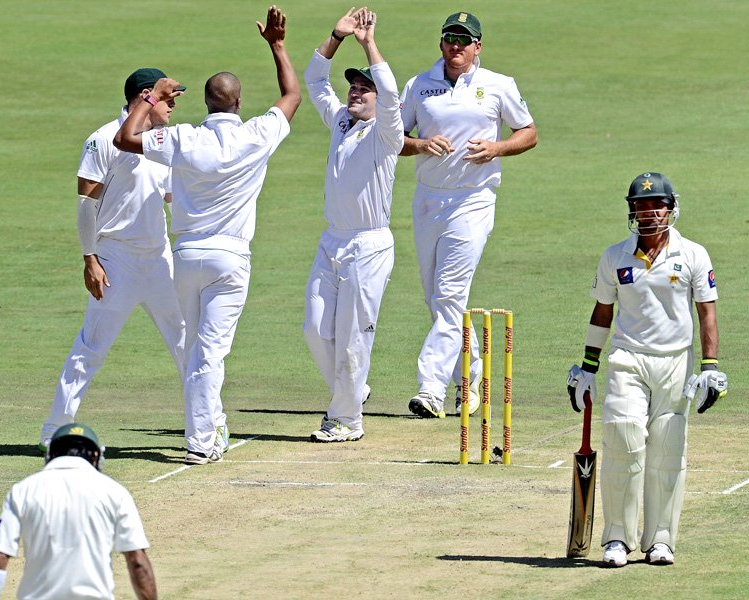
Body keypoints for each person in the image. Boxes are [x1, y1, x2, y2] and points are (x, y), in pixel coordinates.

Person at [114, 6, 301, 465]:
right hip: (229, 260)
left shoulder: (184, 138)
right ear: (237, 102)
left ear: (208, 103)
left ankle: (211, 429)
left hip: (186, 256)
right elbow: (293, 94)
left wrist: (148, 98)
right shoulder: (257, 133)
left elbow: (125, 138)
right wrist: (277, 46)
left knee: (199, 351)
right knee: (207, 355)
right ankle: (201, 442)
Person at [567, 172, 727, 568]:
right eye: (640, 206)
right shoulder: (615, 256)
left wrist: (710, 367)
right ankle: (618, 538)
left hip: (676, 361)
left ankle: (660, 540)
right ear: (631, 211)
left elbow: (706, 312)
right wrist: (588, 367)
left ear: (671, 208)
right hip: (628, 358)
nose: (648, 212)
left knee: (667, 451)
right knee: (623, 439)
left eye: (656, 204)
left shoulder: (693, 254)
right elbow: (603, 311)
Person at [399, 11, 538, 419]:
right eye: (449, 38)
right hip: (428, 199)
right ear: (441, 43)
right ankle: (471, 375)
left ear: (478, 45)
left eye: (464, 40)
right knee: (437, 298)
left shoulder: (498, 85)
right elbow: (394, 141)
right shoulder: (419, 86)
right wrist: (421, 145)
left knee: (449, 293)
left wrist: (497, 149)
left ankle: (430, 387)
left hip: (474, 201)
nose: (456, 46)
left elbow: (528, 132)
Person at [39, 68, 186, 449]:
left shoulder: (162, 141)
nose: (173, 103)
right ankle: (52, 430)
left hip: (159, 261)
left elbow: (172, 196)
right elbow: (86, 205)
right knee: (90, 349)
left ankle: (205, 424)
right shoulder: (103, 139)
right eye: (168, 96)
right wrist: (90, 257)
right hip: (115, 261)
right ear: (146, 96)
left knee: (187, 343)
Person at [302, 8, 404, 442]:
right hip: (332, 241)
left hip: (369, 244)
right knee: (314, 328)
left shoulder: (388, 133)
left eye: (365, 89)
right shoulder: (341, 122)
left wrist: (367, 44)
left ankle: (346, 420)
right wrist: (336, 36)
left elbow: (393, 93)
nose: (356, 93)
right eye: (354, 87)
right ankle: (353, 391)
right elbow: (314, 81)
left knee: (351, 339)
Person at [0, 423, 156, 600]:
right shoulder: (115, 492)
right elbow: (137, 561)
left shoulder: (23, 490)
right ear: (95, 455)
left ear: (52, 453)